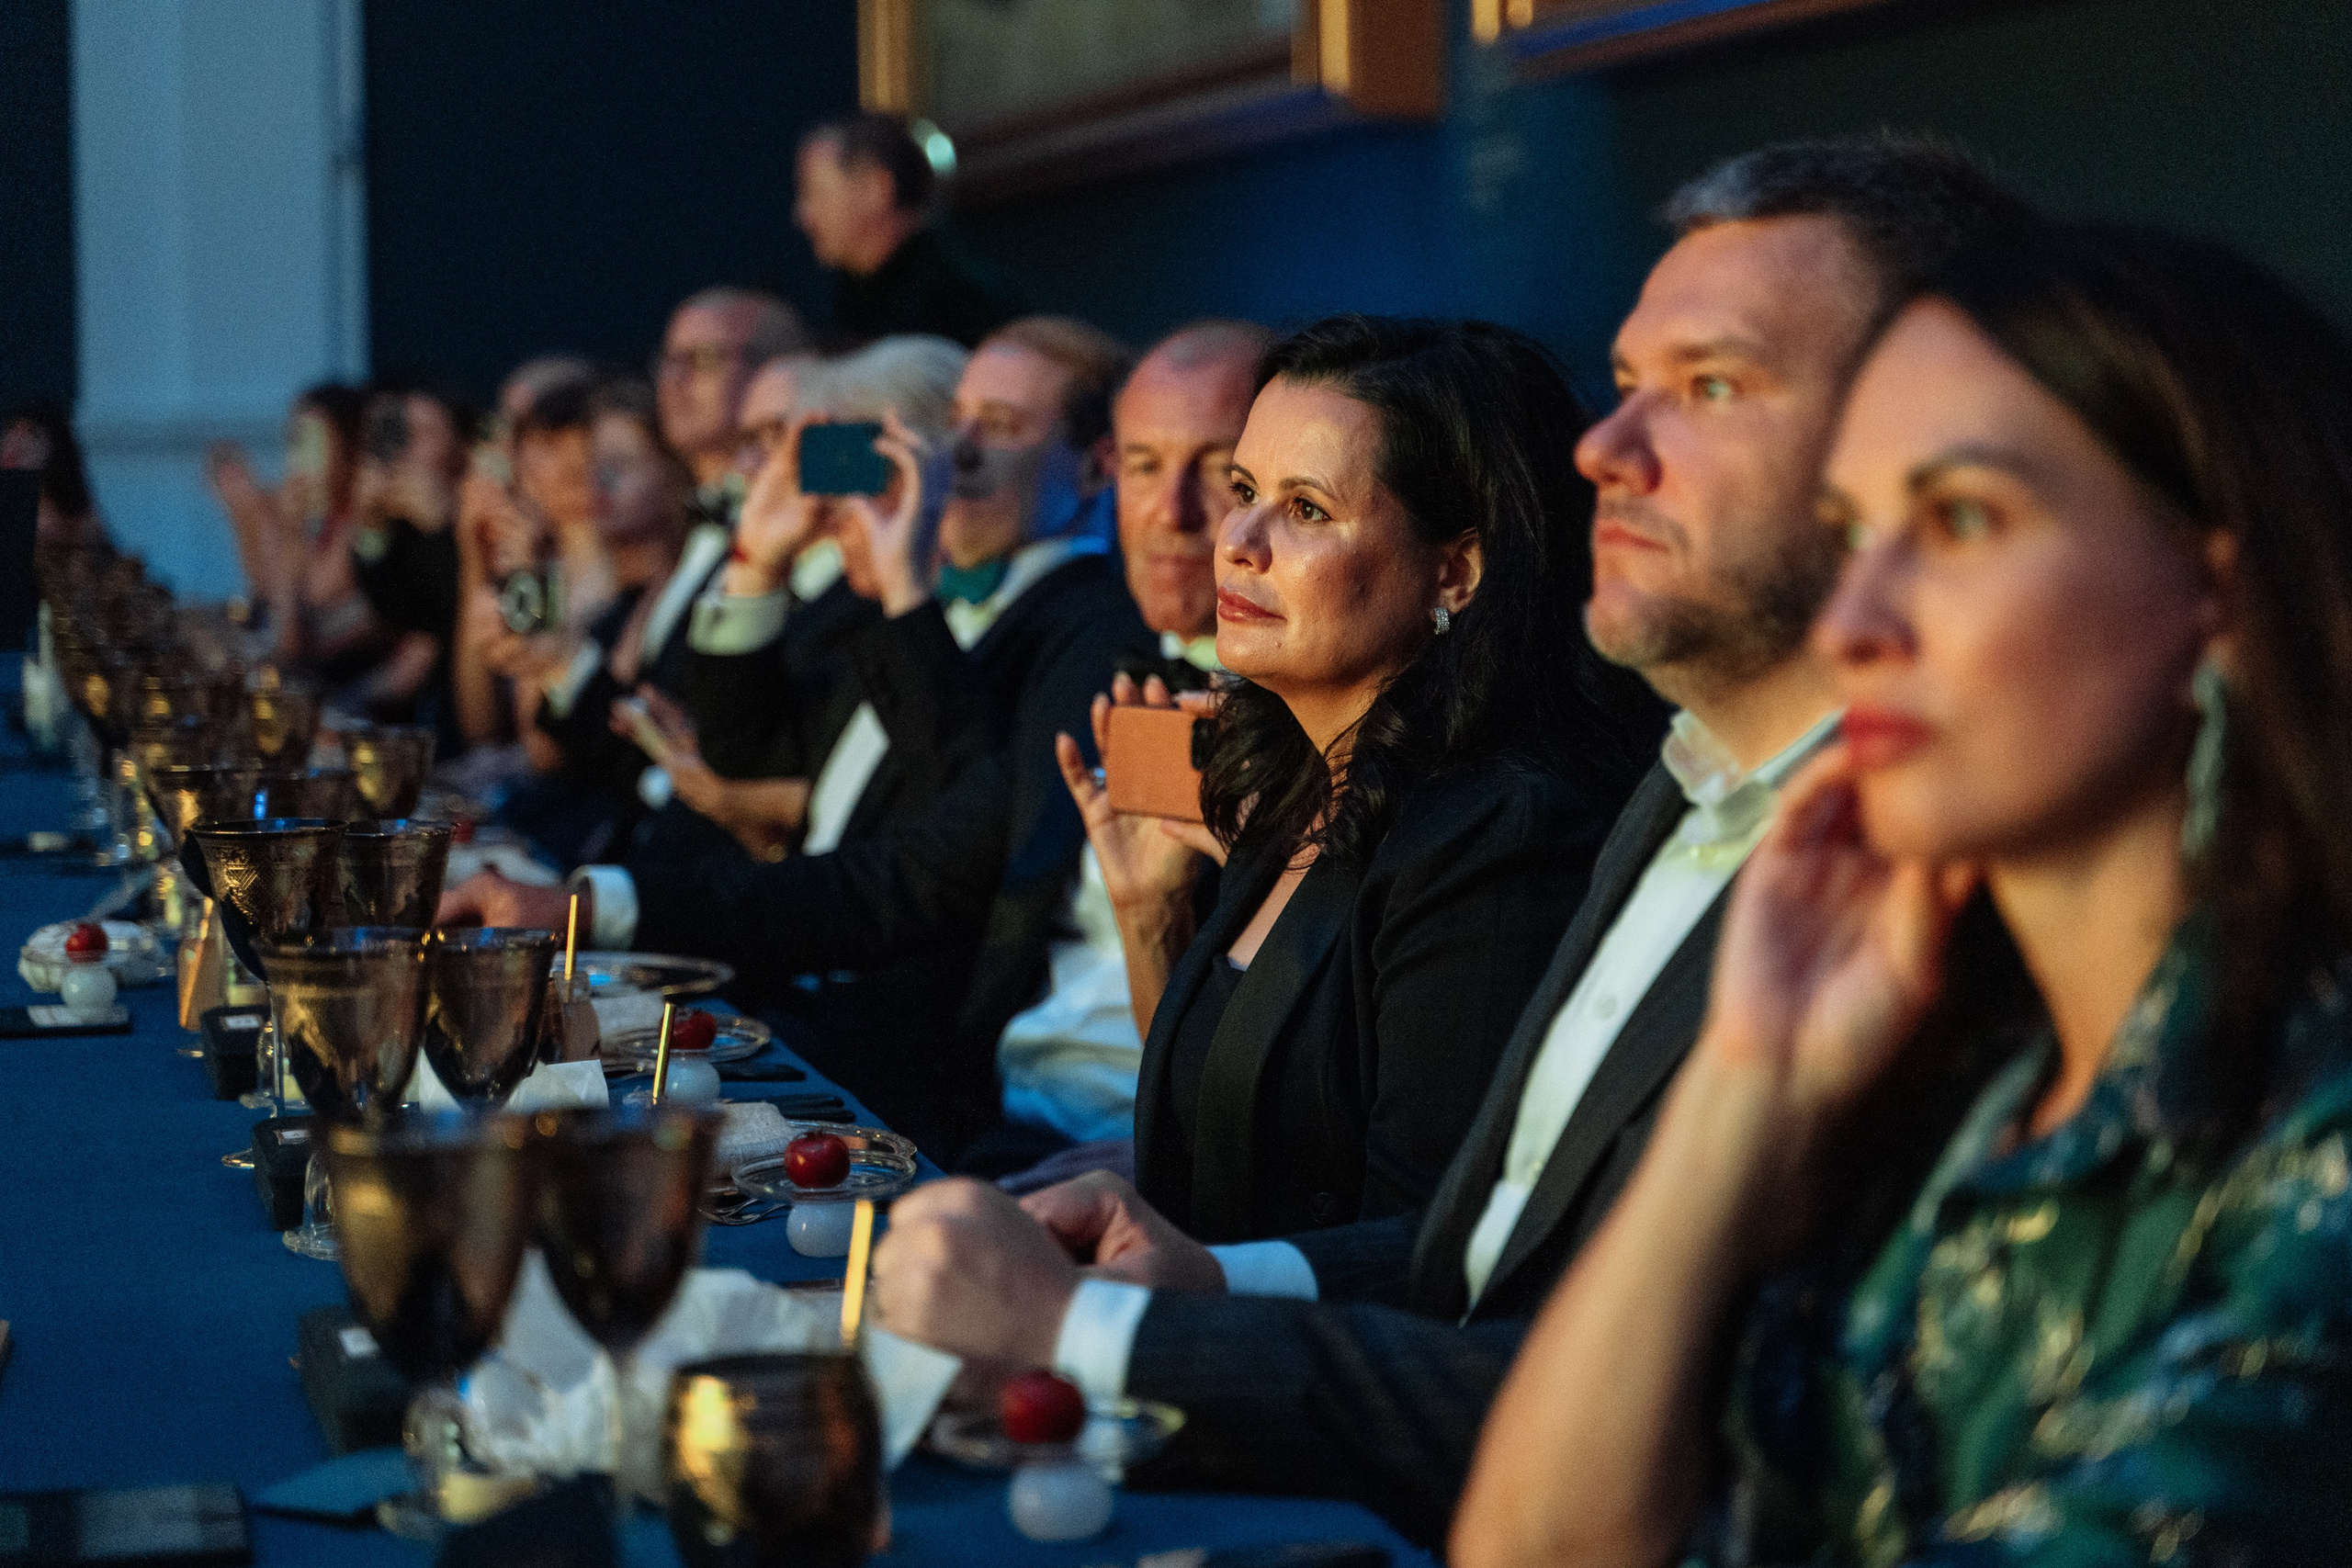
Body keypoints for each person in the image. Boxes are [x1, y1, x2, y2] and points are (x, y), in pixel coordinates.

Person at [865, 138, 2024, 1546]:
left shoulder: (1540, 821)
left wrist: (1094, 1329)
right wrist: (1197, 1264)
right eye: (1629, 381)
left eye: (1711, 386)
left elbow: (1639, 1387)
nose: (1608, 446)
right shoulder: (1670, 796)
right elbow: (1478, 1244)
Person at [1453, 222, 2352, 1568]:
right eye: (1852, 536)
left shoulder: (2318, 1131)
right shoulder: (1949, 1083)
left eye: (1960, 520)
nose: (1852, 624)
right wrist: (1746, 1078)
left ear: (2219, 594)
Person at [441, 315, 1151, 1162]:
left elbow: (943, 851)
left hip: (894, 1050)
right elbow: (746, 754)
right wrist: (759, 558)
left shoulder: (1081, 626)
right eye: (958, 421)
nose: (959, 451)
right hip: (792, 983)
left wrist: (902, 591)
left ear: (1098, 465)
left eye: (998, 426)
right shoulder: (898, 608)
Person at [1041, 315, 1647, 1243]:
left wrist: (1177, 1286)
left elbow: (1425, 1246)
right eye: (1246, 491)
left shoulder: (1501, 832)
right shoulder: (1292, 779)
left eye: (1307, 510)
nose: (1236, 541)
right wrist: (1150, 916)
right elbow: (1221, 1134)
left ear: (1455, 572)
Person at [205, 385, 392, 688]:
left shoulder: (365, 513)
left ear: (349, 447)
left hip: (354, 685)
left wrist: (283, 528)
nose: (299, 459)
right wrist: (248, 517)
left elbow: (297, 625)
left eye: (313, 442)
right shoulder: (321, 515)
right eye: (294, 440)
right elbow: (264, 593)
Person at [796, 111, 1022, 349]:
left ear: (876, 189)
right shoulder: (857, 295)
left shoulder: (960, 302)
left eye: (816, 193)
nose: (803, 217)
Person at [651, 287, 812, 525]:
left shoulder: (813, 512)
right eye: (669, 361)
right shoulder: (671, 516)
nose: (674, 379)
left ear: (772, 370)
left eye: (703, 358)